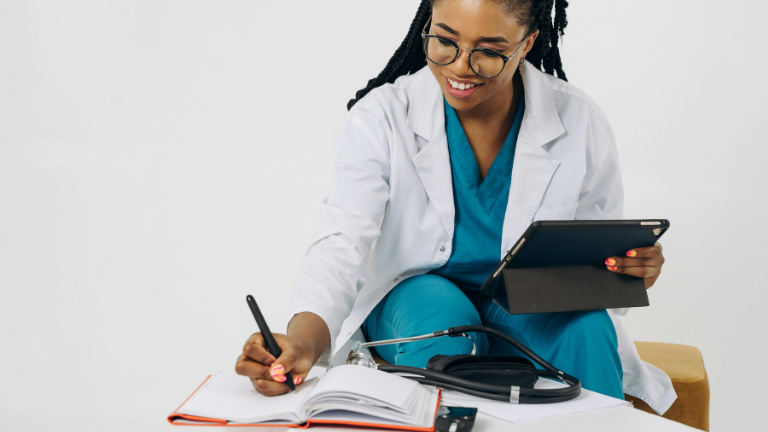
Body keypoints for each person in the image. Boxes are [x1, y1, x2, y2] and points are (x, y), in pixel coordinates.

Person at [235, 0, 677, 414]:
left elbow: (592, 253)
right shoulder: (382, 117)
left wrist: (626, 269)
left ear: (527, 43)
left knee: (588, 327)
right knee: (444, 318)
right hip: (417, 301)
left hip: (525, 308)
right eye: (445, 41)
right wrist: (302, 343)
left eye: (489, 50)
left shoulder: (579, 120)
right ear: (427, 25)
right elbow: (341, 242)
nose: (461, 67)